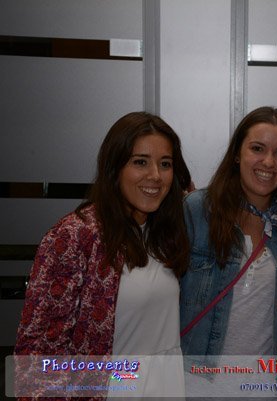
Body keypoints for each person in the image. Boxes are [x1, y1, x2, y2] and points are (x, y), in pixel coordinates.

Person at [14, 112, 191, 399]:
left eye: (165, 164)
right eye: (140, 162)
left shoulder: (166, 233)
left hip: (166, 386)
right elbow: (38, 350)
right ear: (114, 167)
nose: (155, 176)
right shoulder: (75, 236)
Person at [179, 106, 277, 397]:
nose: (269, 162)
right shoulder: (197, 211)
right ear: (237, 153)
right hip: (196, 386)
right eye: (257, 148)